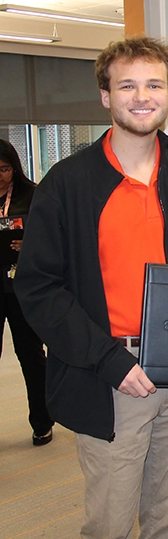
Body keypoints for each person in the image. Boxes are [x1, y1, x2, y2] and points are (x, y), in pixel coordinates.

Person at [14, 37, 168, 539]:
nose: (142, 96)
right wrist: (108, 360)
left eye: (154, 84)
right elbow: (38, 288)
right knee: (110, 528)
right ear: (106, 96)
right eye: (128, 85)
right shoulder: (67, 183)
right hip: (112, 376)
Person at [0, 139, 54, 447]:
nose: (0, 175)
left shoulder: (31, 194)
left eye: (5, 169)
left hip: (21, 285)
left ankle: (42, 421)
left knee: (31, 354)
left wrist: (30, 245)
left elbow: (49, 235)